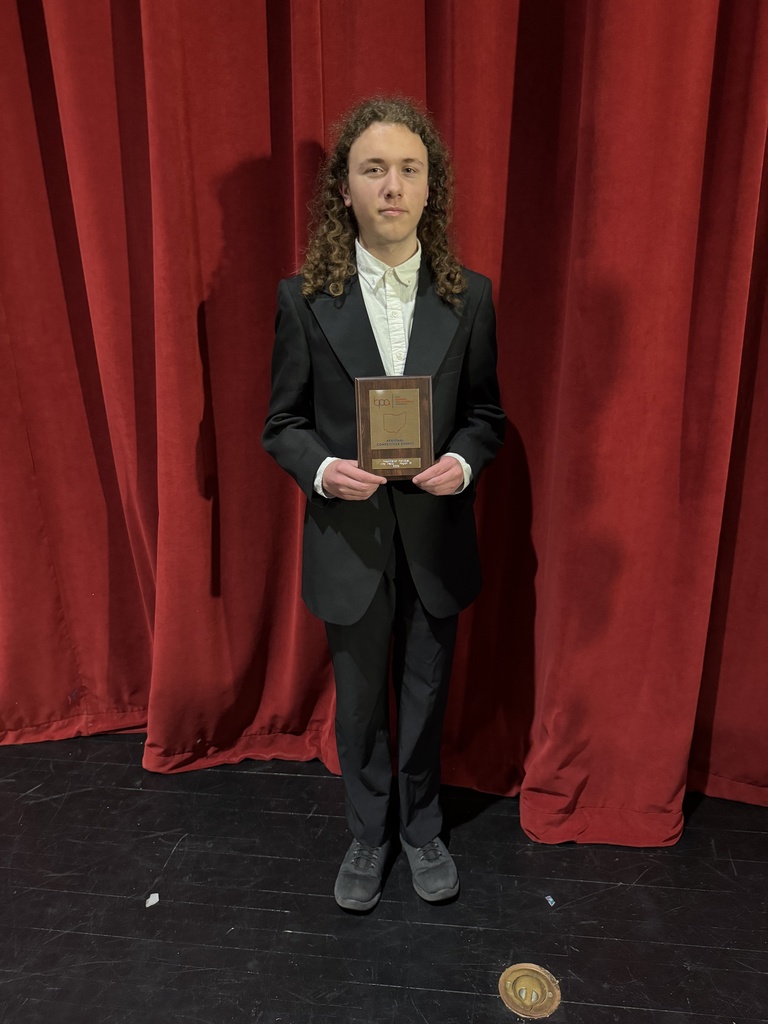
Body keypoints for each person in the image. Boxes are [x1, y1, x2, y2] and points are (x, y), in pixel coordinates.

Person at [262, 96, 505, 912]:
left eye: (409, 169)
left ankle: (421, 826)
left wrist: (463, 467)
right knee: (362, 700)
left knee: (428, 691)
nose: (392, 185)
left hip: (436, 536)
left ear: (430, 189)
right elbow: (282, 424)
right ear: (346, 191)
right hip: (350, 538)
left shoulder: (469, 297)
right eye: (374, 169)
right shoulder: (304, 299)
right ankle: (368, 836)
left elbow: (484, 416)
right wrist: (326, 470)